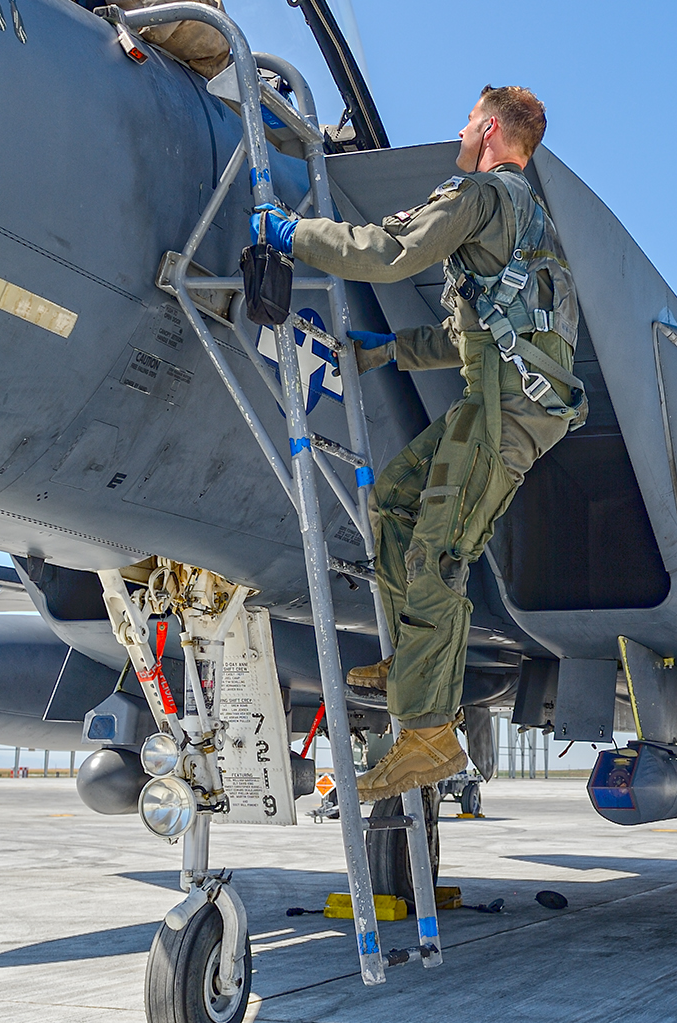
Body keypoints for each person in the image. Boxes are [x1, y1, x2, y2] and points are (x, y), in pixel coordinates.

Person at [254, 86, 583, 802]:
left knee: (438, 551)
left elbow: (392, 251)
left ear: (490, 128)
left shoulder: (479, 195)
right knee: (398, 500)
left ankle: (429, 735)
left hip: (500, 414)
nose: (460, 132)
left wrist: (291, 235)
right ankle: (414, 666)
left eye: (468, 121)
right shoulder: (531, 220)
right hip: (503, 403)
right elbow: (480, 335)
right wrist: (389, 351)